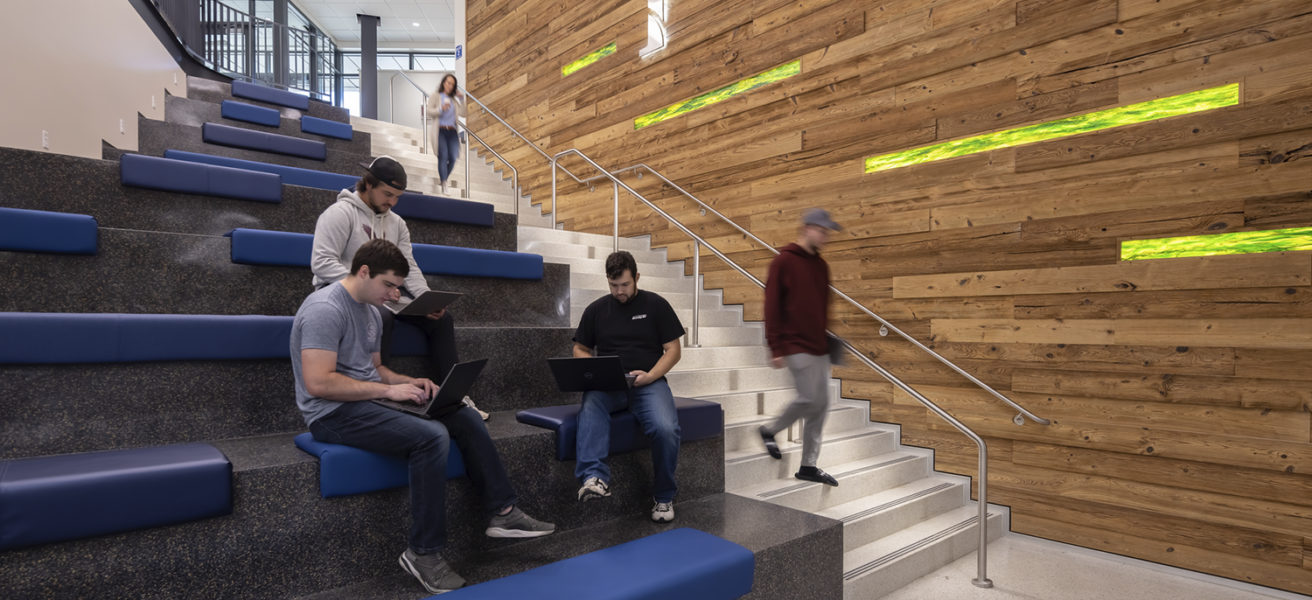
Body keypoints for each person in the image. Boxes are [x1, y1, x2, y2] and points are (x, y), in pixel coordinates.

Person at [292, 238, 555, 594]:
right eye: (389, 285)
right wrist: (388, 392)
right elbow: (319, 382)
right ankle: (423, 554)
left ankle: (503, 512)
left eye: (398, 287)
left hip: (367, 401)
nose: (395, 295)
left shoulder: (370, 311)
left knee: (461, 413)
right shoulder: (325, 308)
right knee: (432, 436)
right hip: (331, 414)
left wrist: (409, 382)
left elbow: (376, 370)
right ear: (364, 272)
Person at [310, 155, 487, 420]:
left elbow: (410, 267)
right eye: (387, 194)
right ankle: (383, 395)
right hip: (342, 296)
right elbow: (321, 263)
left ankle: (453, 397)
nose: (392, 202)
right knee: (379, 315)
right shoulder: (340, 214)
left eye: (397, 197)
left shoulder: (397, 223)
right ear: (368, 184)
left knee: (441, 319)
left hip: (381, 295)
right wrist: (367, 287)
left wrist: (427, 298)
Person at [571, 251, 684, 522]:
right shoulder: (597, 309)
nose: (619, 291)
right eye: (613, 286)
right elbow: (580, 348)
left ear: (637, 278)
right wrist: (596, 371)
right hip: (610, 383)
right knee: (590, 403)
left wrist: (651, 375)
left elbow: (673, 350)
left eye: (625, 285)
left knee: (667, 428)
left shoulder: (657, 305)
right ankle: (594, 478)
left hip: (649, 382)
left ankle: (664, 498)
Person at [758, 208, 842, 487]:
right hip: (793, 343)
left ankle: (808, 465)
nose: (826, 236)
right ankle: (770, 430)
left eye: (828, 232)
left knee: (822, 405)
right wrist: (775, 346)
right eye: (823, 230)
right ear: (807, 228)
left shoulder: (822, 266)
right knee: (808, 398)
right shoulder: (783, 261)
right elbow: (771, 305)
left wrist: (828, 344)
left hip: (818, 345)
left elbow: (822, 308)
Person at [425, 73, 464, 196]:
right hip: (440, 131)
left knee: (453, 157)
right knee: (443, 155)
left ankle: (443, 178)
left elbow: (464, 113)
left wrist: (462, 99)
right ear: (443, 83)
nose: (450, 86)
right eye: (448, 83)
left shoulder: (453, 100)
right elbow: (428, 111)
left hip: (452, 131)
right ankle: (445, 183)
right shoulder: (436, 96)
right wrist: (441, 109)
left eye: (453, 84)